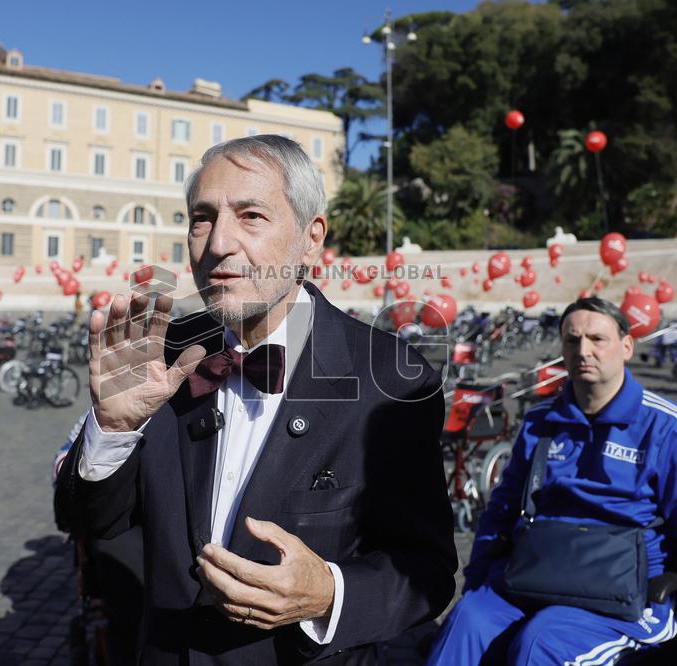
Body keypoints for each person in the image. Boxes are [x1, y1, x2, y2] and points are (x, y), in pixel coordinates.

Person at [54, 135, 457, 664]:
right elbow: (90, 524)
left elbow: (426, 572)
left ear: (310, 240)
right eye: (201, 218)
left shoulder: (393, 381)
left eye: (250, 216)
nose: (218, 242)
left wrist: (329, 594)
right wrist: (111, 429)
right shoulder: (158, 354)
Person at [427, 296, 677, 666]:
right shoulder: (540, 422)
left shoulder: (669, 427)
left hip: (627, 595)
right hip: (538, 574)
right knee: (467, 623)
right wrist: (476, 584)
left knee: (540, 644)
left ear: (626, 346)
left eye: (596, 339)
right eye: (572, 341)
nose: (583, 350)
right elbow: (501, 511)